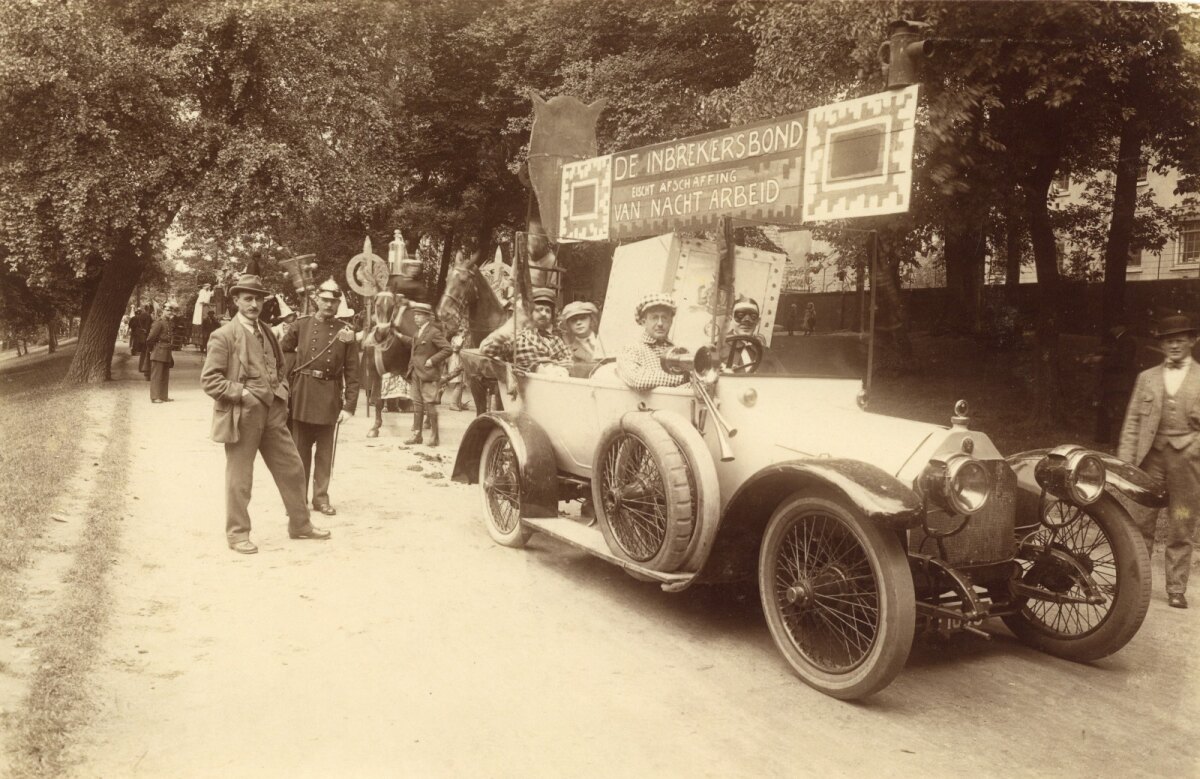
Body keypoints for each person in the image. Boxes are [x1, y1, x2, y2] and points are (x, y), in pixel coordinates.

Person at [201, 273, 330, 554]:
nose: (254, 304)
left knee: (294, 468)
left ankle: (300, 525)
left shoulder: (269, 332)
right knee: (240, 479)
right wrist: (243, 394)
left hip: (272, 414)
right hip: (242, 416)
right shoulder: (223, 336)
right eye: (247, 298)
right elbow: (210, 380)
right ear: (236, 300)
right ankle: (237, 534)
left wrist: (280, 392)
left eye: (258, 298)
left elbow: (282, 367)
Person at [1118, 313, 1200, 609]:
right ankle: (1132, 583)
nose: (1174, 346)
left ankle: (1176, 588)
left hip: (1187, 461)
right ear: (1161, 345)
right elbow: (1132, 423)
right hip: (1149, 458)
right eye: (1168, 341)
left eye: (1180, 340)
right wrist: (1125, 464)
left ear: (1193, 341)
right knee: (1138, 521)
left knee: (1181, 523)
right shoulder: (1147, 378)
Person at [280, 279, 360, 516]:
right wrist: (292, 375)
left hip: (329, 397)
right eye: (324, 300)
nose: (328, 304)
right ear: (317, 301)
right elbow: (283, 350)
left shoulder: (346, 332)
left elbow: (353, 371)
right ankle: (298, 499)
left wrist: (349, 406)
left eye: (333, 301)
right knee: (299, 452)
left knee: (325, 454)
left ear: (338, 304)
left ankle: (321, 498)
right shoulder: (301, 326)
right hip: (303, 394)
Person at [401, 302, 452, 446]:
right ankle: (417, 435)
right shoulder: (418, 332)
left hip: (428, 374)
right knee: (417, 404)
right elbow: (413, 346)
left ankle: (435, 437)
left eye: (419, 315)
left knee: (430, 405)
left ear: (427, 317)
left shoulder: (434, 332)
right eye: (415, 315)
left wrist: (432, 360)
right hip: (416, 373)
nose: (416, 318)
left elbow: (448, 349)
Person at [616, 292, 687, 390]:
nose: (660, 323)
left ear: (671, 322)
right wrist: (684, 378)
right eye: (654, 317)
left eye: (665, 317)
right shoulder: (631, 349)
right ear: (643, 322)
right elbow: (637, 379)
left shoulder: (678, 352)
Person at [1091, 321, 1138, 446]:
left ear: (1121, 326)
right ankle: (1103, 439)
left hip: (1120, 383)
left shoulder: (1128, 341)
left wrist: (1102, 359)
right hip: (1111, 383)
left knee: (1117, 413)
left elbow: (1123, 362)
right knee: (1106, 410)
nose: (1112, 329)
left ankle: (1117, 442)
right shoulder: (1117, 341)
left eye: (1114, 326)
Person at [514, 288, 572, 376]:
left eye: (548, 311)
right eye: (539, 310)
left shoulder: (557, 341)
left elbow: (569, 362)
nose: (544, 314)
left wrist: (569, 365)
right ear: (530, 313)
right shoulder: (516, 337)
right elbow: (492, 362)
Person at [145, 302, 178, 403]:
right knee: (157, 375)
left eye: (171, 310)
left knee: (164, 375)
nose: (169, 312)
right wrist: (152, 350)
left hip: (166, 351)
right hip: (158, 350)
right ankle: (155, 397)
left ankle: (163, 396)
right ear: (163, 311)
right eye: (167, 310)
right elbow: (150, 338)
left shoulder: (168, 322)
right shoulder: (158, 322)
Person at [443, 332, 470, 411]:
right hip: (456, 360)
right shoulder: (456, 338)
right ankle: (453, 403)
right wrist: (461, 337)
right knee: (458, 383)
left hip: (461, 359)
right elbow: (457, 347)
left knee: (461, 383)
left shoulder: (463, 338)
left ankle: (458, 402)